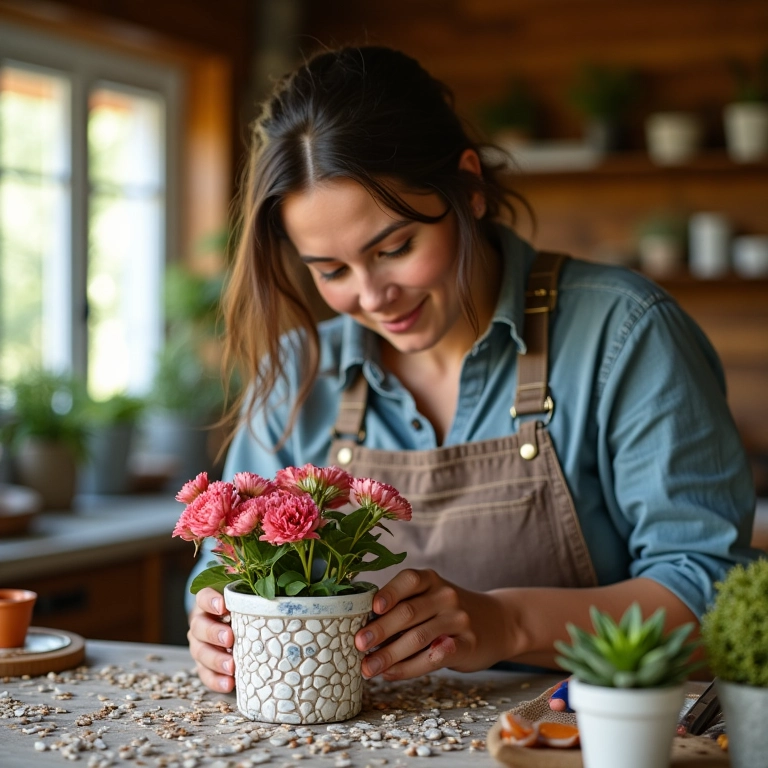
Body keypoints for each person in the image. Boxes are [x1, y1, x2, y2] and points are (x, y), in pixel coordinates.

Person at [186, 45, 757, 695]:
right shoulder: (298, 373)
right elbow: (220, 569)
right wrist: (215, 629)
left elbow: (711, 597)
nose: (372, 297)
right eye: (332, 271)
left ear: (469, 187)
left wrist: (506, 623)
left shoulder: (625, 334)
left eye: (395, 247)